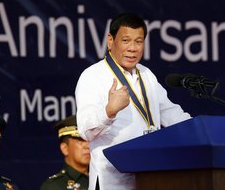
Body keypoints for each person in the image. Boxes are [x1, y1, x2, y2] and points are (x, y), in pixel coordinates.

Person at [75, 13, 191, 190]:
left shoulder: (147, 75)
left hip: (149, 177)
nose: (133, 48)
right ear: (110, 41)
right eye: (126, 40)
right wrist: (109, 111)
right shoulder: (92, 76)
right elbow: (85, 130)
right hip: (113, 181)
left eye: (138, 41)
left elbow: (171, 113)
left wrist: (199, 129)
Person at [40, 115, 90, 190]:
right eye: (81, 141)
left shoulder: (102, 179)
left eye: (90, 140)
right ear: (65, 148)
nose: (88, 146)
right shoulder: (53, 186)